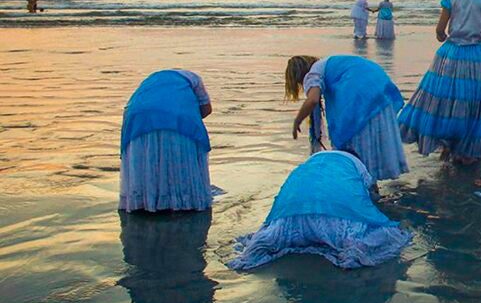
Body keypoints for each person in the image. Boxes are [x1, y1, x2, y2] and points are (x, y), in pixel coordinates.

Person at [227, 150, 413, 270]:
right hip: (336, 220)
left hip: (291, 216)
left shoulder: (311, 162)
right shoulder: (357, 165)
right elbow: (370, 195)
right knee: (384, 234)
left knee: (271, 236)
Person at [398, 0, 481, 163]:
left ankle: (446, 144)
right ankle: (464, 150)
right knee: (473, 101)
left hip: (451, 53)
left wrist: (443, 38)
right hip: (477, 56)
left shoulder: (450, 0)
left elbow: (440, 30)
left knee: (444, 99)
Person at [285, 55, 408, 180]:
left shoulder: (314, 72)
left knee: (352, 151)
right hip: (380, 88)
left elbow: (313, 100)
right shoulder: (330, 64)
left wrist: (297, 121)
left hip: (360, 97)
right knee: (370, 148)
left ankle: (366, 188)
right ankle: (379, 184)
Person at [120, 70, 213, 212]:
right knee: (177, 156)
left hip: (136, 115)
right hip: (177, 114)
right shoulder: (194, 79)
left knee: (148, 158)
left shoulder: (152, 79)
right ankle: (180, 200)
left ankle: (146, 200)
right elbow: (206, 109)